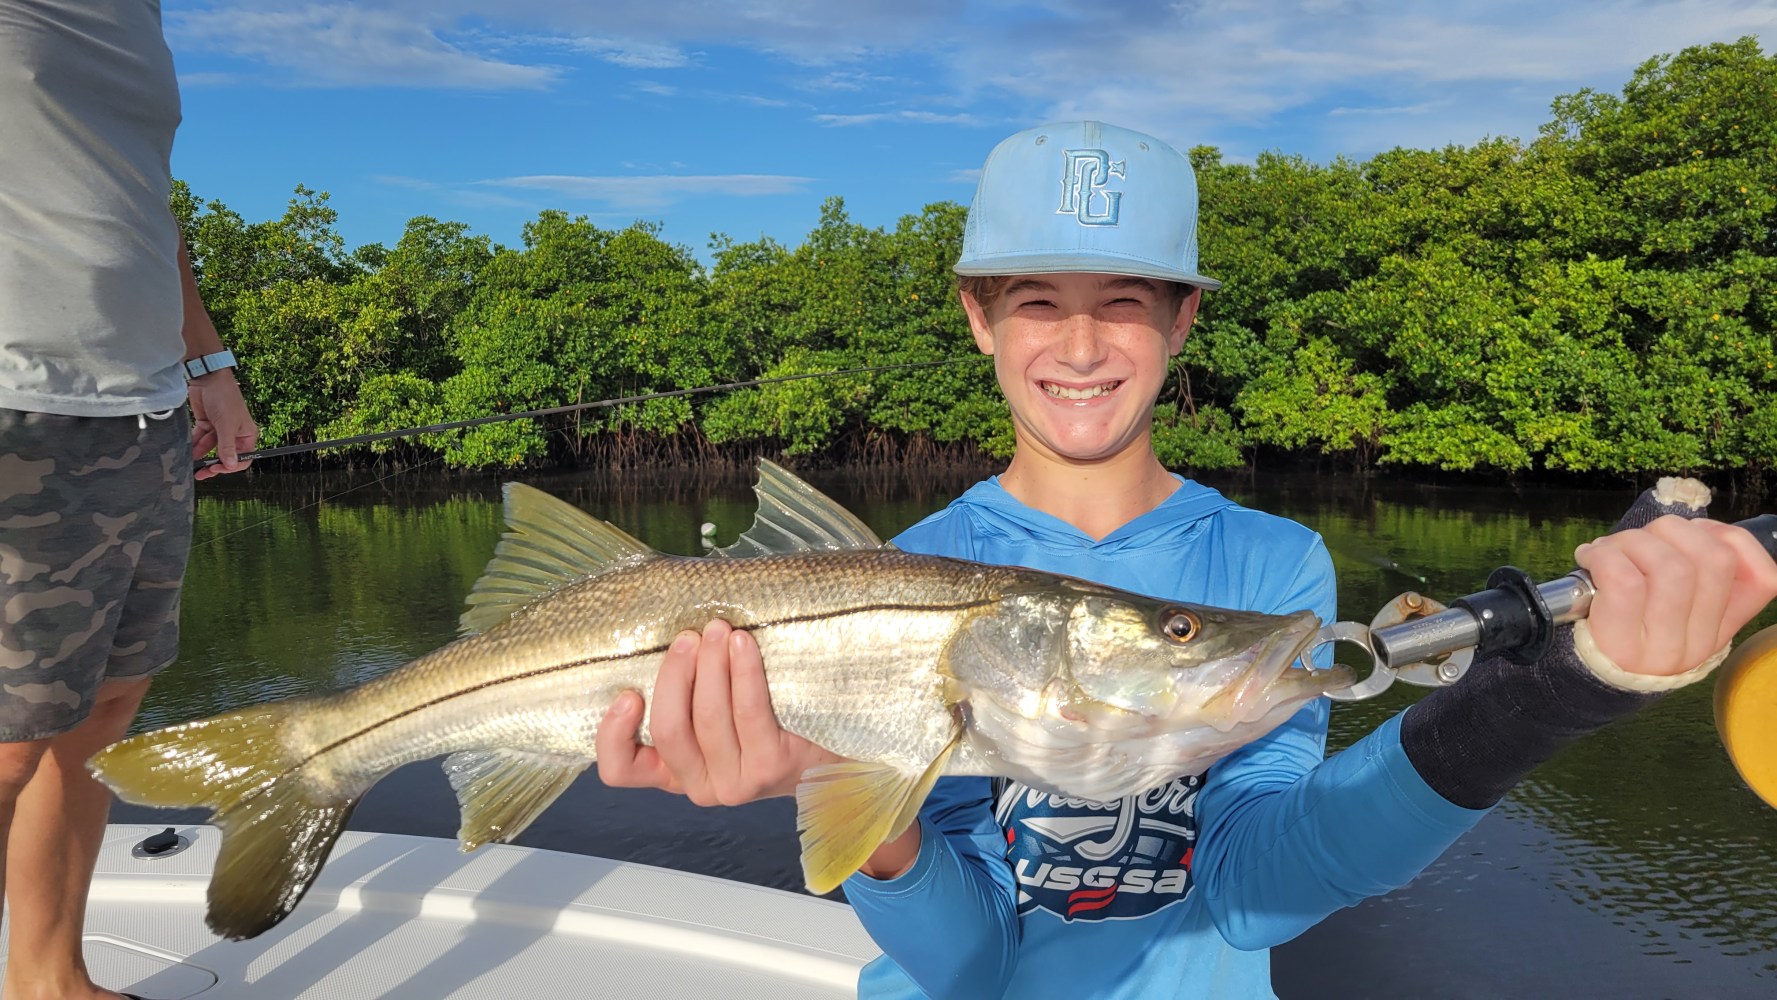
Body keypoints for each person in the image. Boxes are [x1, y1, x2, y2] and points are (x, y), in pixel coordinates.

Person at [594, 120, 1777, 998]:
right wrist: (851, 803)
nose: (1079, 344)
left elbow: (1265, 880)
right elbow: (965, 955)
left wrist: (1537, 699)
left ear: (1182, 320)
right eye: (1035, 301)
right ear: (976, 316)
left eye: (1122, 299)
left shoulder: (1272, 567)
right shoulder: (905, 568)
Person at [0, 2, 257, 998]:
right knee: (11, 736)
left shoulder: (138, 16)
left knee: (103, 707)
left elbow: (144, 195)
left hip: (143, 408)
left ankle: (48, 978)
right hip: (19, 404)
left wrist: (207, 359)